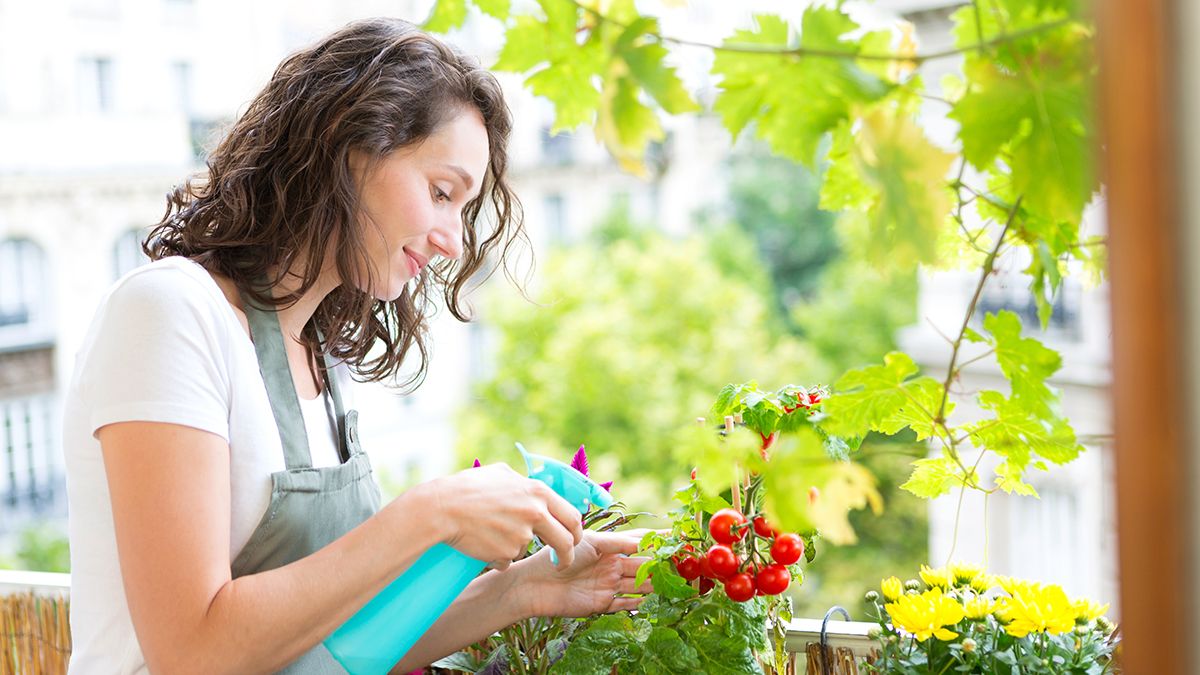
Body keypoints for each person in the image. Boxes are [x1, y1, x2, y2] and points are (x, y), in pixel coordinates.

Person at [62, 18, 649, 674]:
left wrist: (524, 589)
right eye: (441, 192)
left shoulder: (317, 354)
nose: (453, 238)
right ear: (352, 149)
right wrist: (426, 516)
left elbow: (345, 643)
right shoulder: (170, 313)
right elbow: (193, 650)